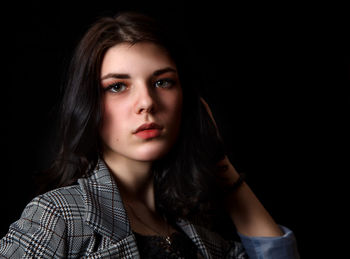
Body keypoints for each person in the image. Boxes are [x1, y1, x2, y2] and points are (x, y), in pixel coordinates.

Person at [0, 11, 300, 258]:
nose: (146, 103)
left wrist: (219, 161)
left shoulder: (202, 235)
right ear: (89, 104)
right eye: (117, 86)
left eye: (163, 82)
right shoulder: (57, 217)